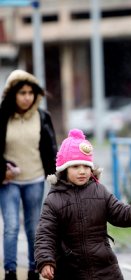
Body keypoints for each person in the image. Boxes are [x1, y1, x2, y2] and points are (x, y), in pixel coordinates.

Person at [34, 128, 131, 280]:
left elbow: (121, 213)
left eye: (86, 166)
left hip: (105, 267)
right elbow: (45, 234)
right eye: (75, 166)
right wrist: (46, 261)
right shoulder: (54, 199)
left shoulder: (99, 191)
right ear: (64, 170)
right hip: (70, 270)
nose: (82, 171)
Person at [0, 69, 58, 280]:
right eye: (21, 92)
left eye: (30, 92)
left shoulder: (42, 117)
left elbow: (51, 151)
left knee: (34, 228)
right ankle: (10, 271)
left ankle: (34, 270)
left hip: (34, 180)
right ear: (12, 94)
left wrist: (56, 179)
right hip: (8, 182)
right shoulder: (3, 117)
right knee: (11, 227)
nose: (26, 97)